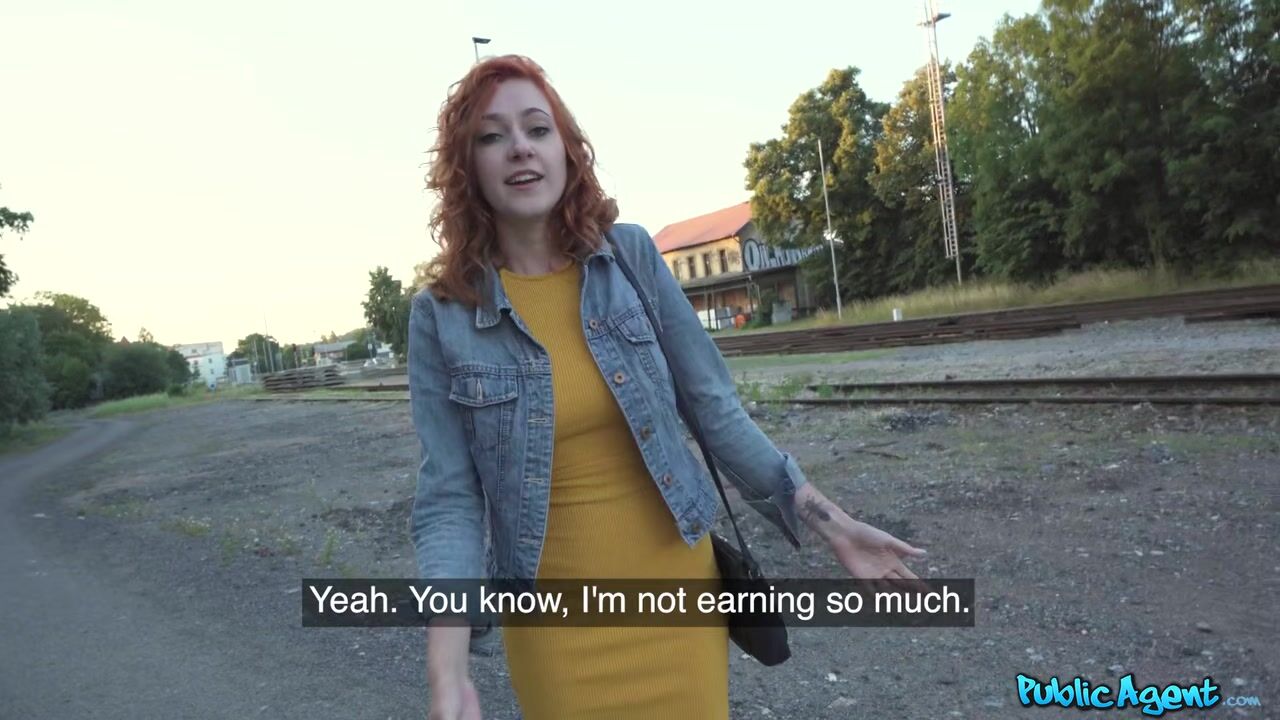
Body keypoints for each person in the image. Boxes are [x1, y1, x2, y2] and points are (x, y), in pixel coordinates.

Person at [410, 54, 926, 720]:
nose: (520, 148)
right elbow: (448, 500)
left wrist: (833, 525)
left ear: (566, 149)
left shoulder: (629, 258)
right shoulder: (443, 315)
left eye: (537, 129)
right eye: (491, 136)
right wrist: (447, 667)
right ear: (467, 166)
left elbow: (715, 412)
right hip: (558, 635)